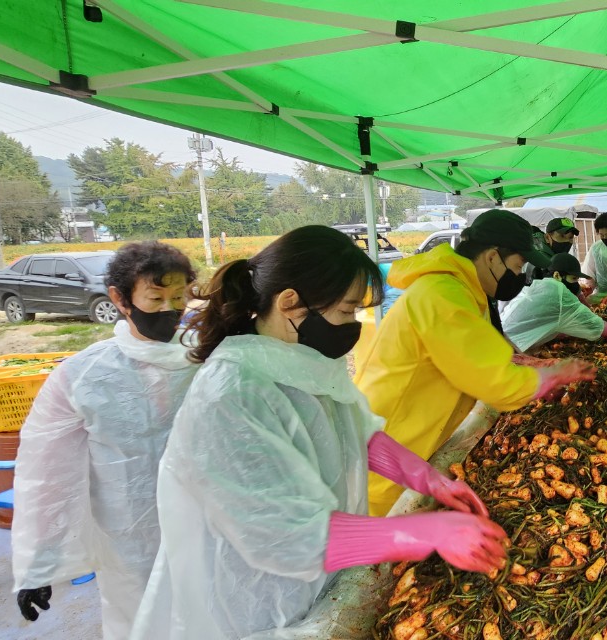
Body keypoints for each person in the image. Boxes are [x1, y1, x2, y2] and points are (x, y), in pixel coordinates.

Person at [131, 226, 508, 639]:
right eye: (346, 311)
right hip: (252, 599)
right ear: (291, 302)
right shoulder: (233, 394)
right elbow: (284, 535)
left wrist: (428, 479)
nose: (353, 324)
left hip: (318, 578)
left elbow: (354, 433)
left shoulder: (302, 360)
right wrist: (421, 532)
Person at [12, 241, 199, 639]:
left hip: (204, 520)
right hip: (131, 533)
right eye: (156, 297)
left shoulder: (206, 358)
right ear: (120, 298)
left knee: (207, 614)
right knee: (143, 620)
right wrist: (37, 565)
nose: (169, 308)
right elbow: (47, 473)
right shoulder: (84, 375)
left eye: (179, 297)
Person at [356, 209, 595, 516]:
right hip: (387, 471)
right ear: (493, 257)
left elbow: (481, 351)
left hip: (411, 453)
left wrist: (527, 365)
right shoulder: (444, 294)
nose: (521, 276)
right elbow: (496, 383)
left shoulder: (465, 291)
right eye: (518, 265)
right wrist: (554, 375)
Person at [502, 253, 607, 352]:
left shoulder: (538, 285)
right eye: (573, 279)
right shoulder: (558, 290)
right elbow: (592, 322)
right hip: (511, 351)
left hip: (501, 339)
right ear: (557, 275)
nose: (576, 283)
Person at [530, 217, 580, 281]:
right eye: (562, 236)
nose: (567, 241)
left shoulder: (556, 257)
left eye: (570, 237)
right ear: (547, 238)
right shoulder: (539, 261)